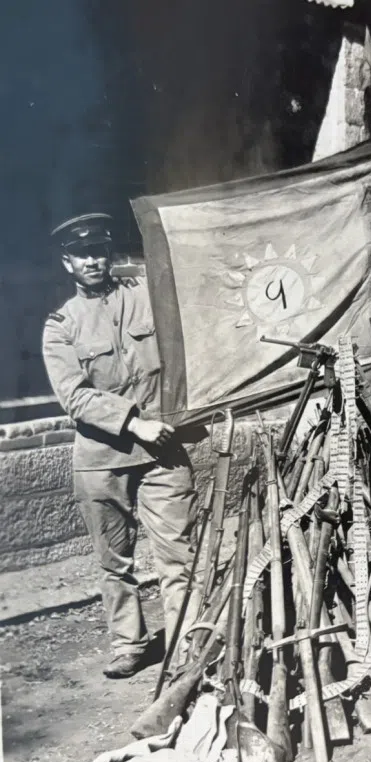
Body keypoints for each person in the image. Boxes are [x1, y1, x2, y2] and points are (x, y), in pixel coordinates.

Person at [42, 212, 198, 679]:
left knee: (178, 553)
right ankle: (128, 644)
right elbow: (75, 396)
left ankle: (188, 644)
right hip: (100, 459)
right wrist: (133, 423)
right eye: (80, 253)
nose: (91, 260)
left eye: (98, 251)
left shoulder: (146, 299)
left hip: (163, 451)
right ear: (67, 262)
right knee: (115, 561)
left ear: (109, 255)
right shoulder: (60, 326)